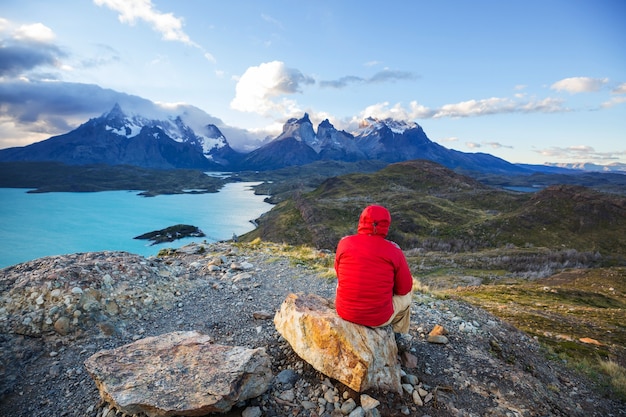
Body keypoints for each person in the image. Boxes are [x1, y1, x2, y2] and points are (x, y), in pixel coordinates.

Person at [334, 205, 413, 335]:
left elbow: (339, 273)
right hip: (378, 319)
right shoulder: (394, 250)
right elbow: (404, 289)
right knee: (408, 295)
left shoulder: (344, 242)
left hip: (344, 312)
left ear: (361, 221)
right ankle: (399, 336)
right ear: (386, 225)